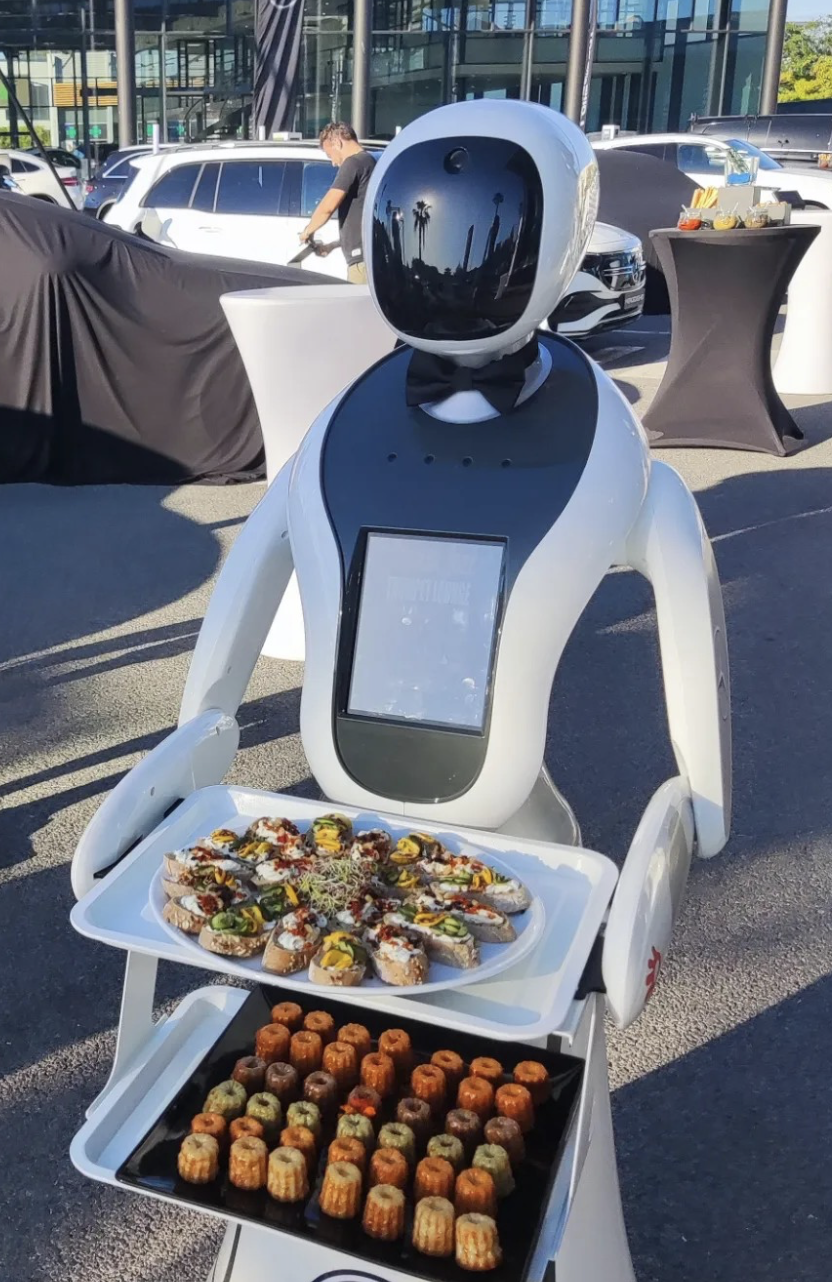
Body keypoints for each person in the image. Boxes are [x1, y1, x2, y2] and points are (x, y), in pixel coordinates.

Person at [299, 122, 376, 284]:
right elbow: (361, 221)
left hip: (361, 263)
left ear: (337, 142)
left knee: (358, 300)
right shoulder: (370, 161)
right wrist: (332, 246)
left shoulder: (352, 163)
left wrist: (308, 230)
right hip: (369, 255)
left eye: (330, 155)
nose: (333, 163)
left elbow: (328, 207)